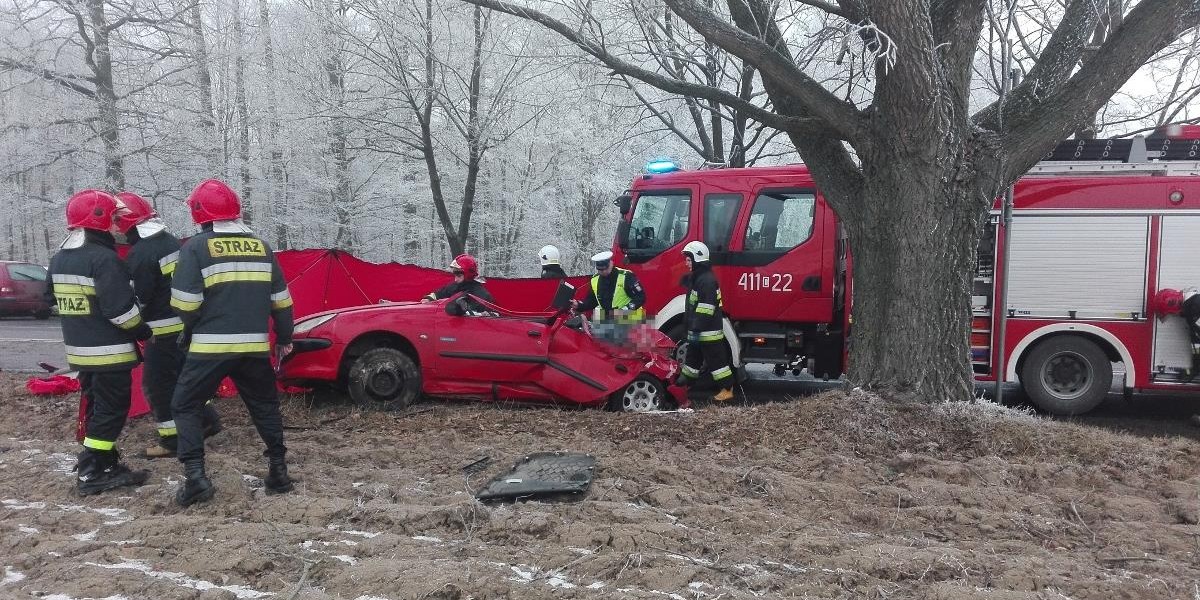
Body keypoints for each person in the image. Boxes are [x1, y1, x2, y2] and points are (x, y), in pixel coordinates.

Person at [169, 179, 295, 506]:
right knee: (264, 406)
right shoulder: (262, 247)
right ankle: (279, 472)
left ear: (200, 214)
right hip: (253, 348)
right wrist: (284, 338)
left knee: (184, 404)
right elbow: (282, 302)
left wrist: (189, 330)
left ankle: (196, 478)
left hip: (209, 348)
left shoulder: (195, 248)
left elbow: (185, 304)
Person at [48, 189, 152, 495]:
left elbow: (49, 297)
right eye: (115, 219)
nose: (118, 226)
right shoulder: (104, 260)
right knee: (112, 410)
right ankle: (92, 469)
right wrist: (143, 331)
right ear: (100, 220)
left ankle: (106, 463)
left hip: (80, 352)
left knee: (98, 406)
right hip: (110, 352)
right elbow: (120, 310)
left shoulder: (59, 258)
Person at [116, 191, 222, 459]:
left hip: (162, 333)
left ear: (126, 223)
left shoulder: (141, 253)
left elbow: (140, 297)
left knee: (157, 386)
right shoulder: (169, 242)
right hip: (185, 328)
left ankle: (171, 440)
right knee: (185, 380)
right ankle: (206, 419)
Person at [675, 241, 735, 403]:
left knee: (717, 363)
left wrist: (695, 326)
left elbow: (706, 308)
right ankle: (685, 383)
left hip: (708, 332)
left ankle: (727, 390)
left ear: (697, 259)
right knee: (693, 359)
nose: (686, 263)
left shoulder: (706, 280)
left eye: (689, 259)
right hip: (699, 330)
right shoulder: (699, 278)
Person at [571, 251, 645, 322]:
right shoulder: (594, 280)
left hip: (631, 318)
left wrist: (624, 310)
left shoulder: (626, 276)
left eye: (605, 269)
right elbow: (591, 301)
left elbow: (640, 297)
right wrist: (579, 305)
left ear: (611, 264)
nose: (603, 272)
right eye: (600, 270)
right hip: (611, 319)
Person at [421, 254, 494, 309]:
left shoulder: (481, 295)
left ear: (468, 275)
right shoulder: (454, 286)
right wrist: (428, 298)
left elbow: (482, 318)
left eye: (459, 276)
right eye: (455, 275)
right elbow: (438, 294)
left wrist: (461, 309)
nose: (455, 279)